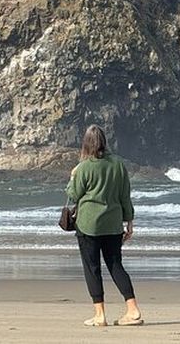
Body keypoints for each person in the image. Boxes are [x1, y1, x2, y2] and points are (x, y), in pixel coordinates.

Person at [66, 124, 143, 327]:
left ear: (86, 143)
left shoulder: (84, 167)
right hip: (113, 223)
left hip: (88, 224)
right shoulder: (118, 164)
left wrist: (73, 176)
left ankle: (100, 315)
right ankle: (132, 308)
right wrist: (130, 222)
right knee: (116, 265)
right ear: (104, 141)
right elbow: (125, 196)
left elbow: (73, 195)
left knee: (92, 268)